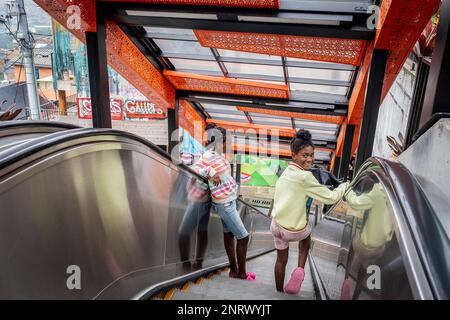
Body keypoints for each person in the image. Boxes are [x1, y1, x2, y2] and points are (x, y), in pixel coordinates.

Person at [270, 129, 349, 294]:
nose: (310, 159)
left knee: (281, 260)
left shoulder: (286, 172)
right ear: (294, 155)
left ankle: (278, 292)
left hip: (276, 226)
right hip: (292, 230)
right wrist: (344, 186)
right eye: (304, 155)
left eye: (312, 155)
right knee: (306, 235)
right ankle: (300, 269)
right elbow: (330, 197)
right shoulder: (305, 177)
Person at [190, 126, 255, 281]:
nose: (231, 143)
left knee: (229, 235)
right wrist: (210, 172)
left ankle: (234, 270)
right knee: (243, 237)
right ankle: (242, 274)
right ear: (221, 141)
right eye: (229, 140)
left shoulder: (219, 155)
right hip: (224, 204)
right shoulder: (209, 155)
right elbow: (193, 169)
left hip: (229, 201)